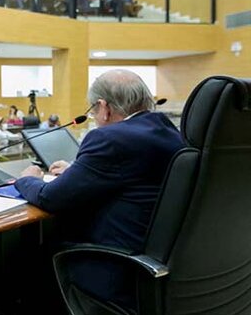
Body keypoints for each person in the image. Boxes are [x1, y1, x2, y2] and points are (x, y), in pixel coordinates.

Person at [13, 69, 184, 311]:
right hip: (162, 260)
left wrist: (27, 179)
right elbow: (135, 173)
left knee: (28, 258)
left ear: (104, 107)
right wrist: (77, 170)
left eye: (93, 111)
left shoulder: (109, 138)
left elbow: (48, 197)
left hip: (115, 266)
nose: (94, 116)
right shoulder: (168, 131)